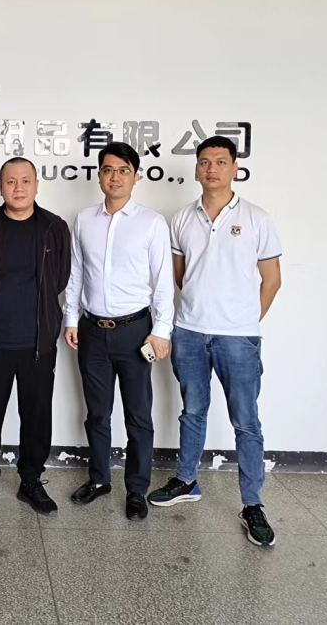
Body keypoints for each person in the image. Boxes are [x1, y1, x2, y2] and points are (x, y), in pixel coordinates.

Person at [146, 136, 283, 547]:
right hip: (190, 331)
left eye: (221, 162)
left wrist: (243, 319)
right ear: (196, 168)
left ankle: (252, 503)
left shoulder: (257, 218)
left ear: (235, 168)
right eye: (205, 161)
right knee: (193, 412)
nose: (212, 169)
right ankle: (187, 480)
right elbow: (180, 275)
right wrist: (199, 312)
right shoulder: (182, 219)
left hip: (238, 338)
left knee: (246, 421)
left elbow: (272, 280)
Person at [63, 142, 175, 520]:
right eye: (108, 169)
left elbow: (163, 282)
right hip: (92, 330)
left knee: (138, 416)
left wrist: (161, 330)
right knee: (97, 413)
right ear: (99, 175)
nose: (115, 177)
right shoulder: (84, 220)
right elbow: (76, 273)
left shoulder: (151, 222)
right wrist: (71, 319)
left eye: (124, 170)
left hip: (136, 331)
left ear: (136, 176)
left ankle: (136, 488)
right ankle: (99, 480)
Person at [0, 158, 71, 517]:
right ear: (0, 186)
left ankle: (31, 481)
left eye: (26, 180)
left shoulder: (54, 227)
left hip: (37, 342)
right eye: (11, 181)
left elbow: (61, 279)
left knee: (37, 417)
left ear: (37, 185)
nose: (18, 188)